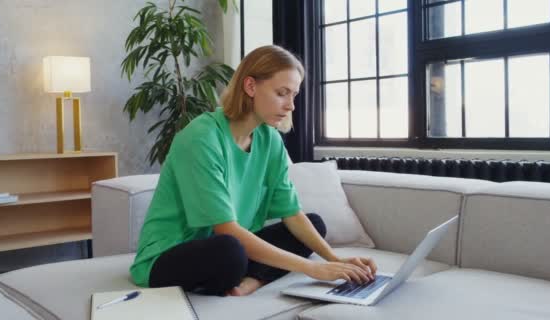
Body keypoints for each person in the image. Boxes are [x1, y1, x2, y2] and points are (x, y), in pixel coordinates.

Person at [130, 45, 377, 297]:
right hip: (167, 257)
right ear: (250, 87)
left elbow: (291, 213)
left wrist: (335, 260)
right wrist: (312, 268)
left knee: (314, 224)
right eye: (282, 93)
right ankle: (251, 275)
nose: (291, 105)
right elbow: (225, 230)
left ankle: (251, 281)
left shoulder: (269, 140)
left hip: (231, 245)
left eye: (294, 95)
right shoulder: (201, 138)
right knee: (230, 250)